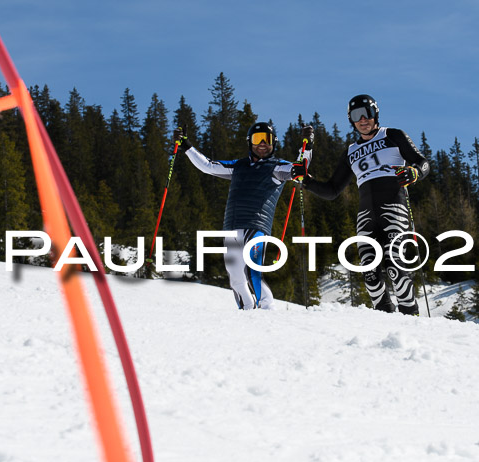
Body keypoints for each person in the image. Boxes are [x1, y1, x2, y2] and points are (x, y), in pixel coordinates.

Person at [296, 94, 429, 315]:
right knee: (370, 274)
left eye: (367, 113)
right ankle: (386, 325)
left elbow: (422, 162)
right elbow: (332, 190)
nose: (363, 119)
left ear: (376, 113)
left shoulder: (392, 135)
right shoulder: (350, 152)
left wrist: (415, 172)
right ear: (351, 120)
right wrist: (307, 182)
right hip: (366, 214)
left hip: (393, 206)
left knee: (397, 267)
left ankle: (411, 319)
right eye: (356, 115)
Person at [174, 122, 313, 310]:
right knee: (235, 277)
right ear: (250, 143)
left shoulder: (277, 166)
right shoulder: (238, 166)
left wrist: (307, 147)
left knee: (252, 270)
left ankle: (267, 309)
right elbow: (208, 166)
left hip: (256, 225)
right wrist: (186, 146)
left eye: (267, 139)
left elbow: (299, 170)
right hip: (231, 226)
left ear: (274, 143)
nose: (262, 143)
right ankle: (247, 312)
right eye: (257, 139)